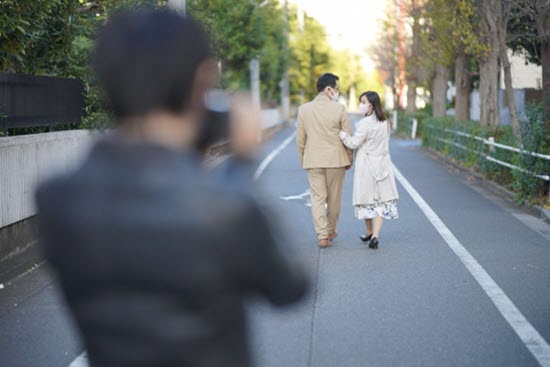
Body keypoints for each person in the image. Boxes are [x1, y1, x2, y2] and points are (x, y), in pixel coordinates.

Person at [34, 9, 308, 367]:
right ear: (203, 78)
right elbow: (290, 287)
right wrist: (242, 164)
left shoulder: (56, 198)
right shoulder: (224, 207)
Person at [296, 73, 353, 248]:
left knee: (317, 199)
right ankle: (330, 230)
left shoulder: (303, 109)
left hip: (313, 160)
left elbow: (300, 140)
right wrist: (349, 158)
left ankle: (322, 236)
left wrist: (303, 160)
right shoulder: (339, 109)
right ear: (328, 89)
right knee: (334, 200)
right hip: (336, 160)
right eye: (336, 89)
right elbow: (347, 136)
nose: (337, 92)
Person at [338, 91, 399, 249]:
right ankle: (375, 235)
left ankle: (369, 231)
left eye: (363, 102)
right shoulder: (385, 122)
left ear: (371, 105)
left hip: (367, 167)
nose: (361, 105)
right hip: (383, 166)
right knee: (380, 201)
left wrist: (342, 135)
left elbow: (353, 143)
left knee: (366, 200)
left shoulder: (365, 124)